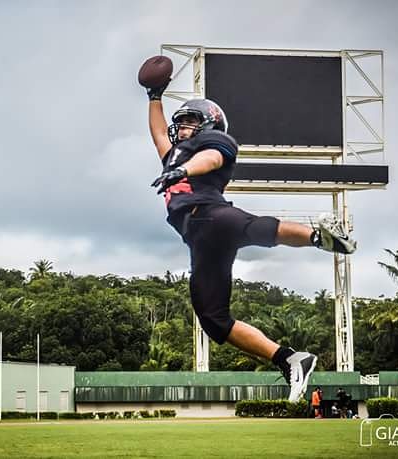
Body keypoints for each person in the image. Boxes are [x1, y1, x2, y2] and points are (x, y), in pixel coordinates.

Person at [144, 81, 357, 403]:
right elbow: (159, 134)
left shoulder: (213, 142)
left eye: (189, 121)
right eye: (180, 121)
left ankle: (319, 237)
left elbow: (212, 159)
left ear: (208, 123)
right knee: (214, 319)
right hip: (200, 238)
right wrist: (154, 96)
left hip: (209, 216)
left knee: (250, 228)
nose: (181, 127)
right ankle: (288, 357)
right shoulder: (174, 155)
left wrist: (183, 171)